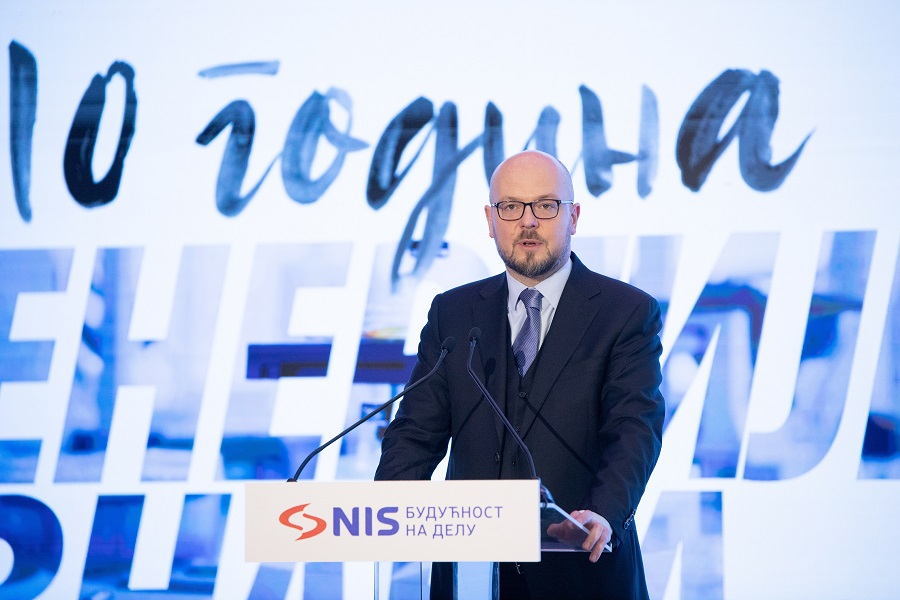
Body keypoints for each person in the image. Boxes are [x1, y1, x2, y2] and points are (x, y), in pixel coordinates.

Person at [374, 150, 665, 600]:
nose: (527, 221)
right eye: (510, 206)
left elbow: (635, 430)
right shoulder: (453, 314)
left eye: (545, 205)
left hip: (582, 573)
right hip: (470, 575)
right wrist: (384, 510)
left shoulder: (624, 312)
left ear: (573, 216)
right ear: (491, 220)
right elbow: (415, 432)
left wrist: (605, 513)